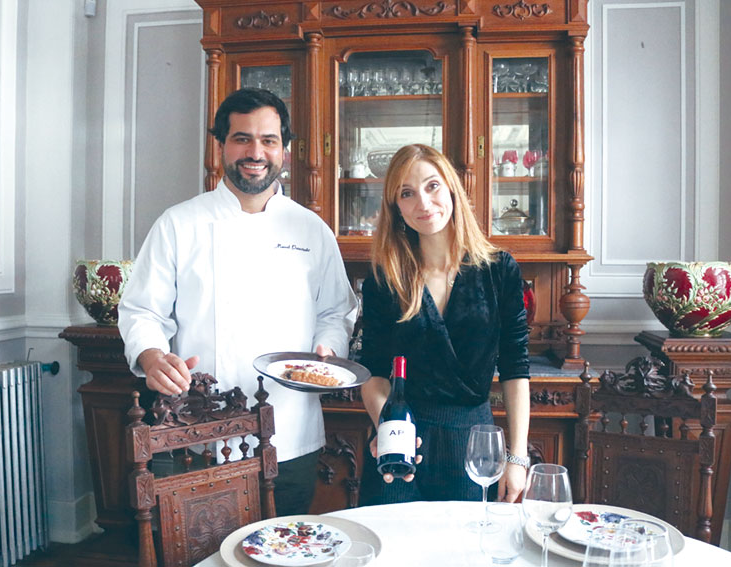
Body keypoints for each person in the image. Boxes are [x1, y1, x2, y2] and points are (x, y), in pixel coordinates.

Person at [118, 88, 358, 516]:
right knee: (195, 549)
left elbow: (335, 311)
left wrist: (328, 349)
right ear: (221, 145)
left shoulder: (311, 229)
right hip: (194, 429)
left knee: (283, 547)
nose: (256, 151)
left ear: (284, 148)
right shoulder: (179, 223)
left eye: (268, 140)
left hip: (288, 428)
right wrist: (153, 357)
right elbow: (142, 310)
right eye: (242, 138)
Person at [358, 144, 531, 505]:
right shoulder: (383, 278)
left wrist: (516, 458)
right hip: (403, 446)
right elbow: (373, 372)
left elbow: (515, 369)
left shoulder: (499, 270)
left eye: (432, 186)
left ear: (452, 189)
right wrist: (389, 428)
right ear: (396, 207)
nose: (423, 203)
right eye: (407, 193)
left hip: (473, 444)